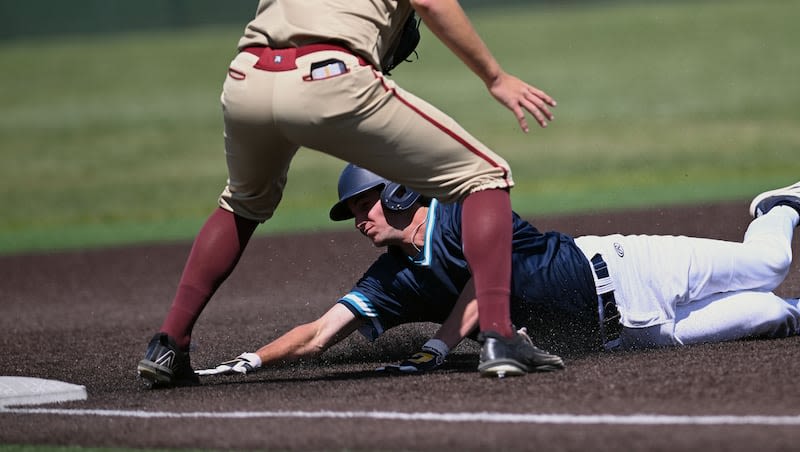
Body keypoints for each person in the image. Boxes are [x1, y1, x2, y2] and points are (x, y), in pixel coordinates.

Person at [137, 0, 560, 387]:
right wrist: (495, 76)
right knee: (486, 176)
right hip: (329, 73)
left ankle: (169, 344)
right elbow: (432, 3)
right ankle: (501, 336)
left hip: (246, 77)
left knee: (241, 205)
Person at [194, 165, 800, 378]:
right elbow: (321, 333)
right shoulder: (391, 278)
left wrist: (436, 344)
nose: (358, 218)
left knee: (770, 263)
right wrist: (251, 360)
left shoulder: (465, 216)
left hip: (632, 268)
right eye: (352, 211)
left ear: (401, 194)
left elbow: (490, 288)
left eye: (364, 203)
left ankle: (775, 206)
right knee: (773, 313)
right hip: (633, 333)